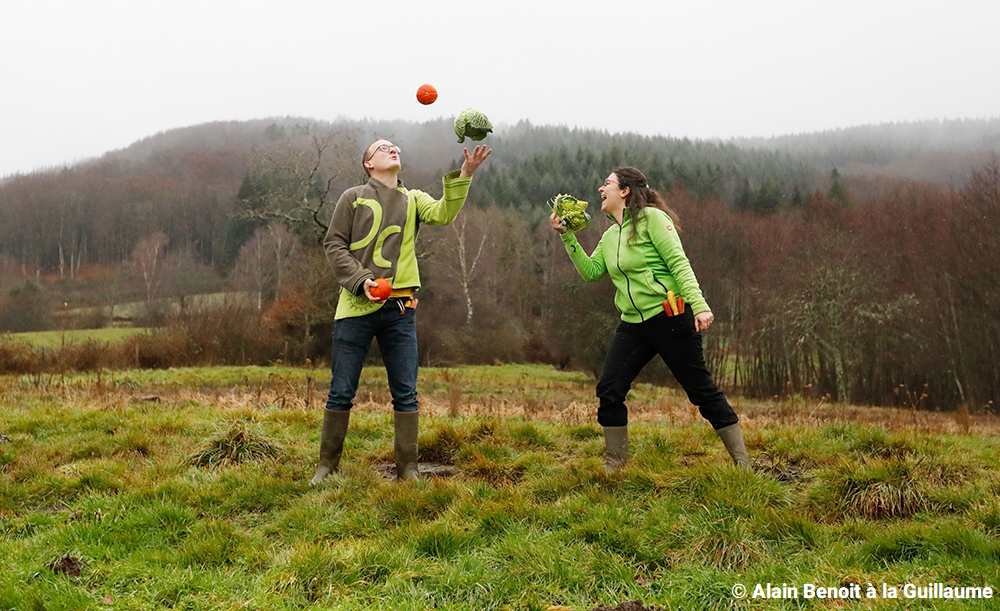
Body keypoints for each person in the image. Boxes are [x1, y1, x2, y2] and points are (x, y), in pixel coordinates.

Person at [311, 138, 492, 483]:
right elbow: (334, 243)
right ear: (368, 164)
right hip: (354, 306)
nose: (392, 149)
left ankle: (408, 469)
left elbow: (443, 214)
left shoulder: (413, 199)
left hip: (400, 309)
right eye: (382, 148)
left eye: (395, 147)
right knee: (341, 390)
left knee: (405, 392)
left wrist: (465, 173)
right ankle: (326, 467)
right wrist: (361, 280)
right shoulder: (352, 197)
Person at [549, 166, 749, 472]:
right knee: (609, 388)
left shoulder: (653, 220)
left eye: (608, 184)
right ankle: (615, 469)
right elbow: (591, 273)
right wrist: (568, 237)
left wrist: (700, 305)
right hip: (633, 324)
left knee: (701, 391)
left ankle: (743, 465)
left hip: (670, 317)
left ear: (625, 191)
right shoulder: (610, 235)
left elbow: (678, 263)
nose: (601, 190)